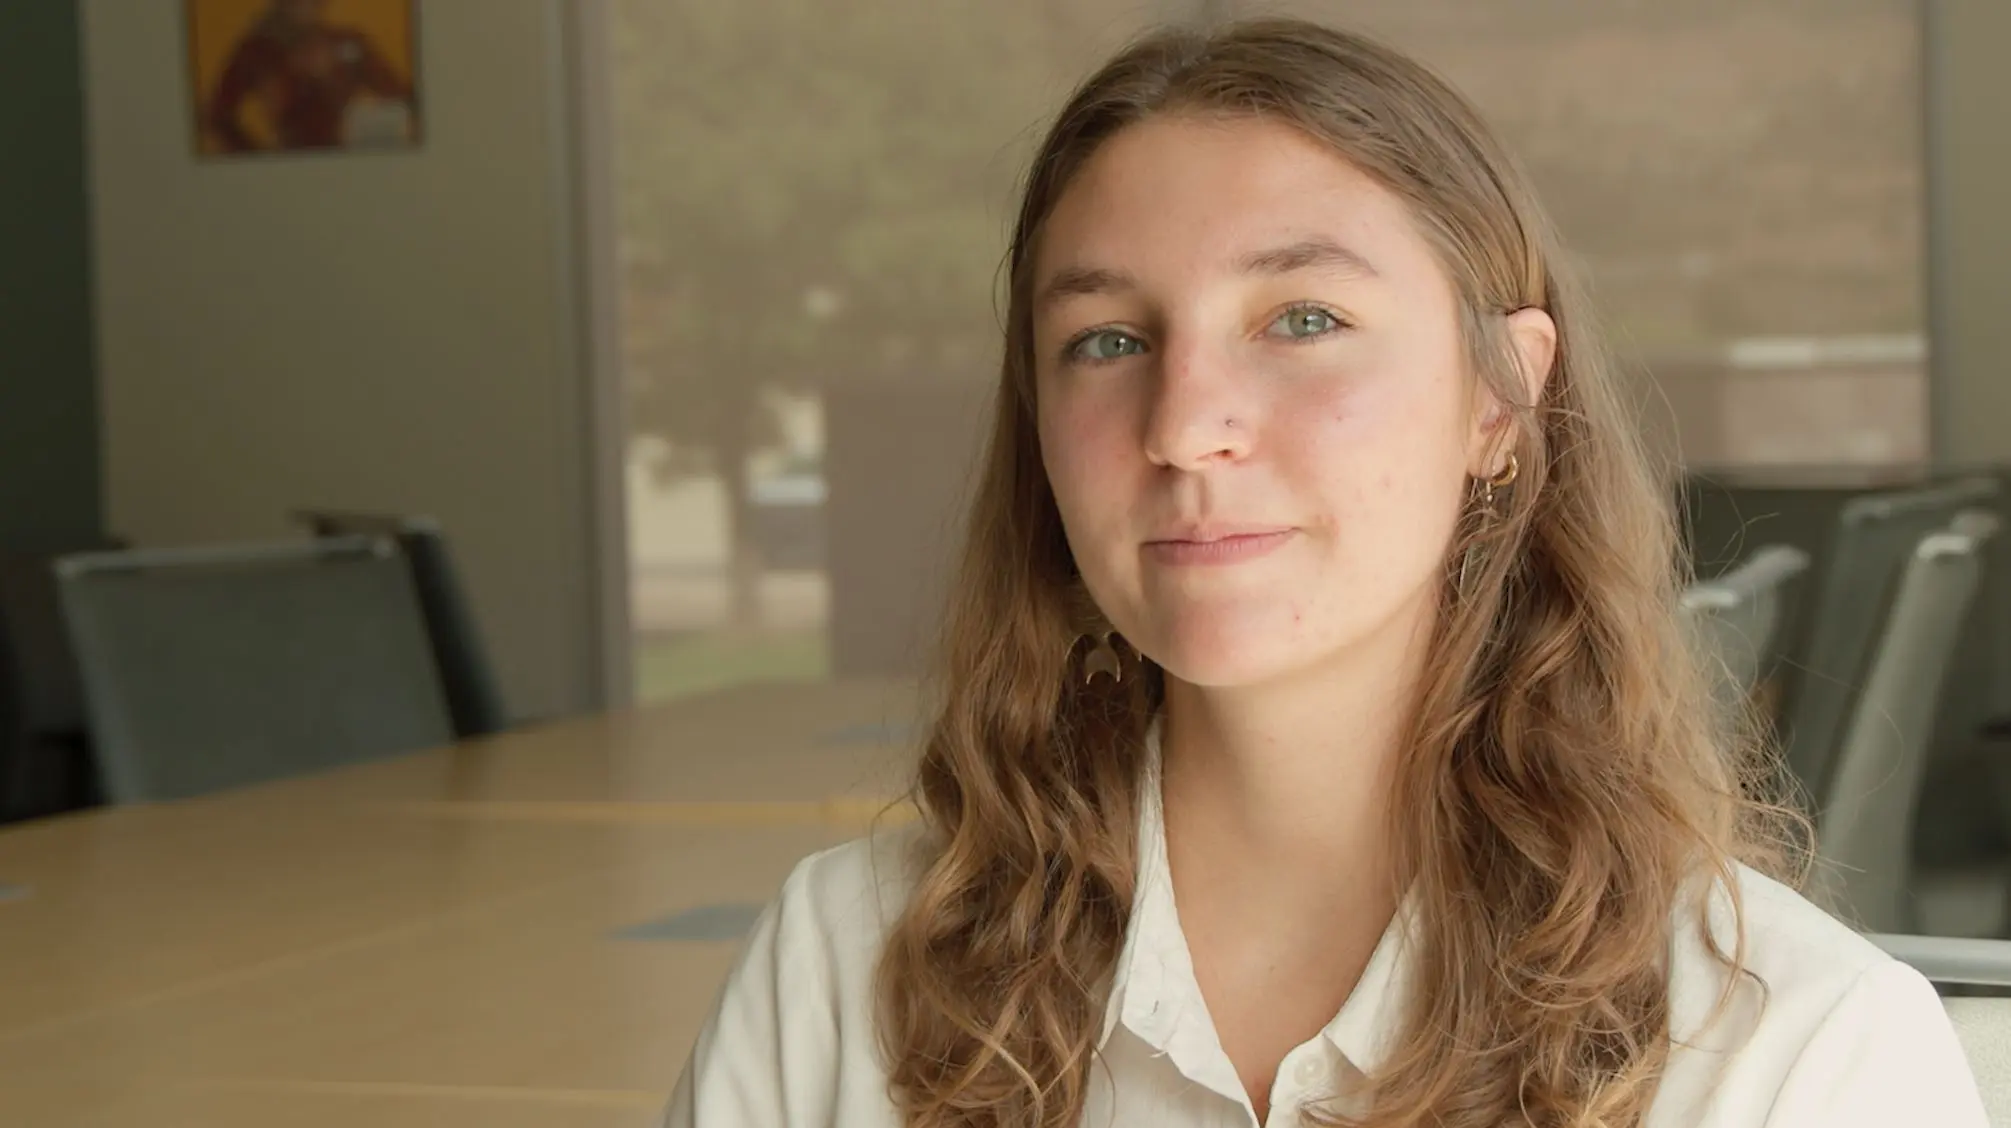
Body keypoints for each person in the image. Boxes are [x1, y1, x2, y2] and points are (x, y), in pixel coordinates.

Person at [664, 18, 1986, 1128]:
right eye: (1107, 339)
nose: (1184, 425)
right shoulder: (836, 972)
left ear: (1497, 399)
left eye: (1302, 320)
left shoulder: (1797, 1059)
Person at [202, 0, 414, 153]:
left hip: (351, 162)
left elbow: (403, 97)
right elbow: (217, 117)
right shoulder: (258, 51)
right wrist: (258, 160)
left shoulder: (347, 42)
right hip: (291, 166)